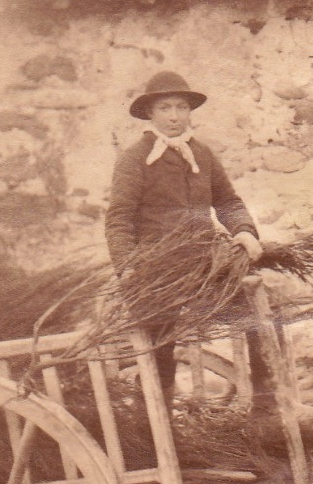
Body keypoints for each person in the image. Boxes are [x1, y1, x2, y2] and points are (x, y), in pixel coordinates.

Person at [104, 71, 269, 406]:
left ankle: (268, 401)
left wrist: (243, 231)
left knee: (256, 309)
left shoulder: (202, 155)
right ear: (150, 113)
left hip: (204, 263)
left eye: (181, 107)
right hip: (156, 271)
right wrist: (129, 267)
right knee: (158, 348)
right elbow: (119, 219)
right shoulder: (135, 159)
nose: (175, 116)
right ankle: (158, 423)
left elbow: (227, 200)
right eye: (165, 107)